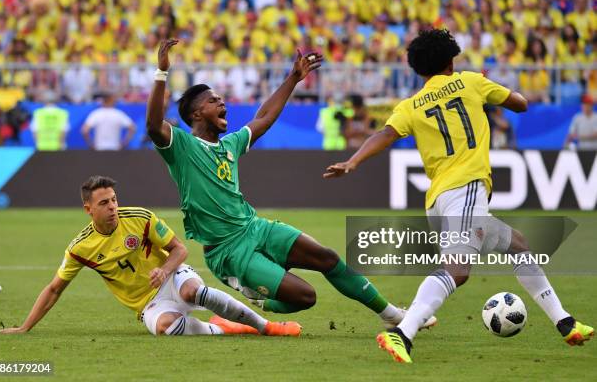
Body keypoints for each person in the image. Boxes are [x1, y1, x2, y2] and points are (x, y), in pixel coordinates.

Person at [325, 29, 593, 363]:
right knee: (458, 270)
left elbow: (384, 134)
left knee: (519, 245)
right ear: (452, 60)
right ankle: (402, 334)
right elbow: (521, 105)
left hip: (438, 201)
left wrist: (353, 161)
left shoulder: (410, 106)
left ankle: (565, 323)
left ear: (418, 69)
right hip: (466, 190)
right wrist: (487, 85)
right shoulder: (470, 82)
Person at [146, 39, 436, 331]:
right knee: (306, 297)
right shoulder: (181, 146)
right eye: (213, 100)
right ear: (196, 114)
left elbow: (264, 117)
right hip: (228, 251)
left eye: (221, 99)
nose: (222, 103)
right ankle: (257, 298)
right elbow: (153, 125)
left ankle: (392, 315)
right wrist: (161, 72)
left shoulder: (231, 144)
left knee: (328, 258)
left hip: (255, 228)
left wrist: (293, 79)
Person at [0, 176, 300, 337]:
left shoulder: (140, 217)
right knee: (167, 328)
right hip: (148, 304)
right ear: (88, 209)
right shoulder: (80, 248)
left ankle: (267, 327)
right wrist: (25, 327)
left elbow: (180, 249)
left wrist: (165, 269)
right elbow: (53, 290)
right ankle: (226, 327)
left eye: (114, 200)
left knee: (195, 291)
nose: (113, 207)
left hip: (173, 278)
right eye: (104, 203)